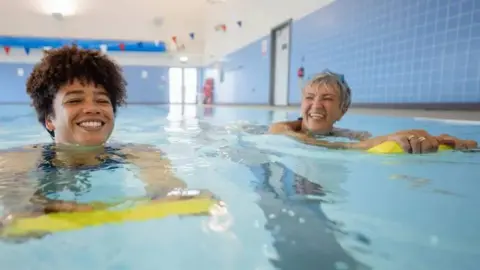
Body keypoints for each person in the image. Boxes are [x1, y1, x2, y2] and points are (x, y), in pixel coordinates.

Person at [0, 46, 216, 228]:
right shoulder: (20, 158)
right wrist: (31, 207)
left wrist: (176, 195)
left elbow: (166, 186)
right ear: (50, 120)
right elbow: (14, 197)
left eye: (102, 101)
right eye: (74, 100)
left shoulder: (140, 154)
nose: (92, 109)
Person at [269, 70, 478, 154]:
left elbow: (379, 143)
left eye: (327, 98)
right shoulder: (281, 128)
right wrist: (367, 144)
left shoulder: (350, 135)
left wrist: (435, 141)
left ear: (342, 110)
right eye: (309, 97)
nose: (315, 105)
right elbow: (308, 143)